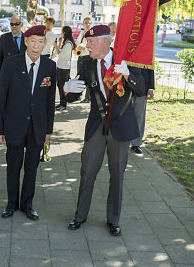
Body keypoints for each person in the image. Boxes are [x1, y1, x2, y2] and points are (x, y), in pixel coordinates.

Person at [62, 25, 145, 235]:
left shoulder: (125, 61)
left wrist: (127, 76)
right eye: (87, 42)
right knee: (87, 171)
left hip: (120, 128)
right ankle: (79, 216)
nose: (86, 45)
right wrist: (66, 90)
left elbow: (141, 89)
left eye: (91, 42)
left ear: (105, 42)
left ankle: (113, 220)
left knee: (117, 175)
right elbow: (76, 92)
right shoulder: (87, 64)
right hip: (96, 126)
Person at [0, 25, 56, 221]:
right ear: (25, 41)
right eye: (32, 41)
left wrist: (49, 130)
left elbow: (49, 101)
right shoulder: (11, 64)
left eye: (40, 42)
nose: (36, 46)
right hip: (14, 125)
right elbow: (1, 97)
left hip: (37, 128)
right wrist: (0, 127)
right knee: (13, 166)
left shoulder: (50, 67)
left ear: (45, 44)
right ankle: (11, 204)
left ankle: (27, 204)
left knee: (31, 168)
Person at [0, 14, 27, 83]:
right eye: (12, 24)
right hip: (8, 77)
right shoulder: (4, 38)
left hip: (24, 77)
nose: (14, 26)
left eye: (16, 24)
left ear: (21, 24)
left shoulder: (28, 39)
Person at [130, 69, 155, 154]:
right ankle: (121, 140)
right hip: (125, 84)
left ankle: (136, 143)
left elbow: (151, 69)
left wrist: (151, 88)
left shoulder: (148, 55)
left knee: (139, 115)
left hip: (143, 86)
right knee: (123, 115)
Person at [52, 25, 75, 111]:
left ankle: (63, 104)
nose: (60, 33)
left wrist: (56, 46)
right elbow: (59, 53)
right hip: (60, 67)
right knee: (59, 85)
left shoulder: (69, 44)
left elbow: (60, 55)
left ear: (64, 33)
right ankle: (61, 103)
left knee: (63, 87)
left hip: (64, 68)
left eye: (61, 32)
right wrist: (58, 44)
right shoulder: (66, 43)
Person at [75, 17, 93, 103]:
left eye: (89, 23)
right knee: (79, 77)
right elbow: (78, 42)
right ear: (83, 24)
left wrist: (84, 47)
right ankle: (79, 95)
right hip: (81, 57)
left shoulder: (92, 34)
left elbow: (93, 47)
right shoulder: (82, 33)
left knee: (89, 78)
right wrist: (77, 47)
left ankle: (87, 98)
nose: (87, 24)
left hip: (88, 58)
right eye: (86, 23)